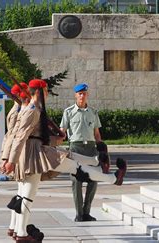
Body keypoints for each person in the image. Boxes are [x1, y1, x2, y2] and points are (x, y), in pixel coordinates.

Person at [2, 79, 127, 242]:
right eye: (46, 90)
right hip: (34, 154)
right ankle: (112, 177)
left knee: (26, 194)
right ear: (40, 92)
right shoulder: (32, 110)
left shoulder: (30, 109)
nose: (47, 94)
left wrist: (9, 158)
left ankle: (19, 231)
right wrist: (9, 160)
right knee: (32, 193)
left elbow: (29, 136)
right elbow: (18, 137)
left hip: (33, 151)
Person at [60, 83, 103, 222]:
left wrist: (101, 149)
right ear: (75, 95)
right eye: (80, 94)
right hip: (76, 148)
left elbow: (97, 133)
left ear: (87, 95)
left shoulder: (93, 112)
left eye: (84, 93)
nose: (82, 96)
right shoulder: (68, 112)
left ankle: (86, 212)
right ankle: (79, 214)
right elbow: (62, 131)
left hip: (90, 149)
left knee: (94, 180)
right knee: (76, 182)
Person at [0, 83, 30, 238]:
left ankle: (14, 226)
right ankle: (17, 228)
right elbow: (13, 135)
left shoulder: (18, 108)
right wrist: (6, 158)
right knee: (23, 193)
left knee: (20, 192)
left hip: (15, 152)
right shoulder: (18, 109)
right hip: (18, 153)